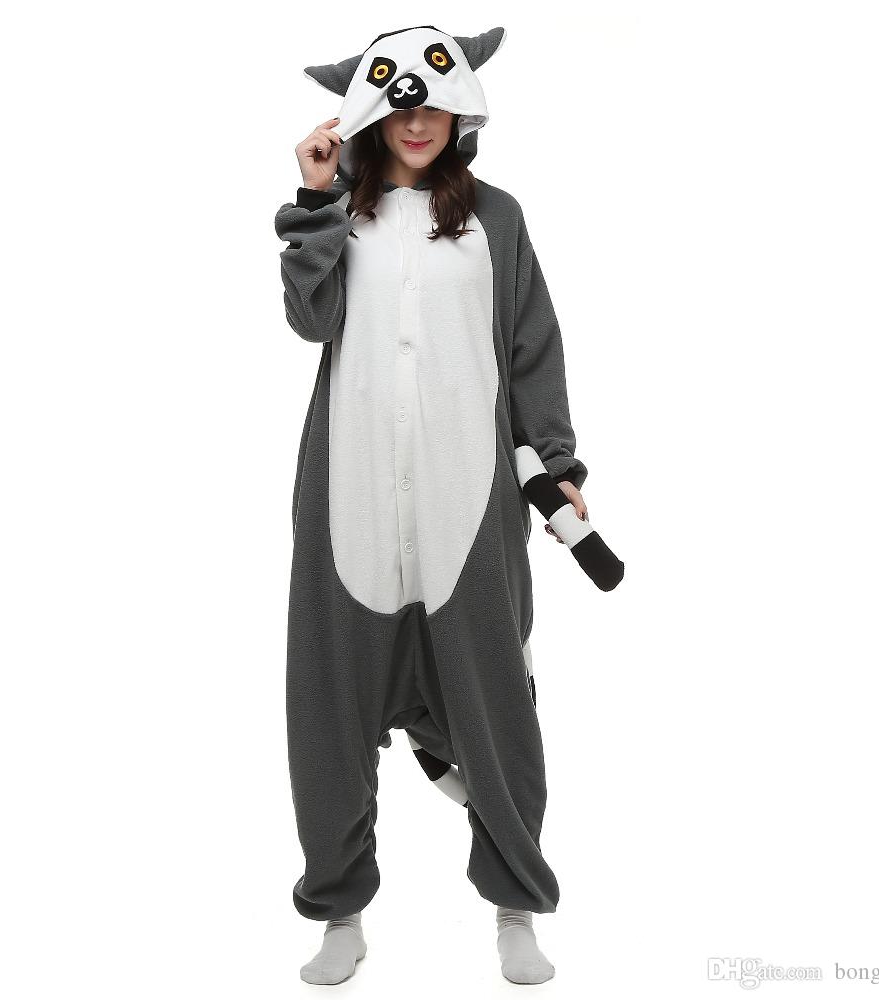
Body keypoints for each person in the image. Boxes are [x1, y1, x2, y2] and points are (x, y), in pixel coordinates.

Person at [274, 25, 589, 985]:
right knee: (329, 715)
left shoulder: (497, 217)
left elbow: (531, 347)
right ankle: (340, 914)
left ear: (461, 112)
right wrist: (316, 198)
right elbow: (309, 319)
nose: (418, 123)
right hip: (350, 500)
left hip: (469, 500)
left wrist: (558, 463)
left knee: (496, 709)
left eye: (436, 106)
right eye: (400, 108)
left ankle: (515, 907)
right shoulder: (339, 214)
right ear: (371, 113)